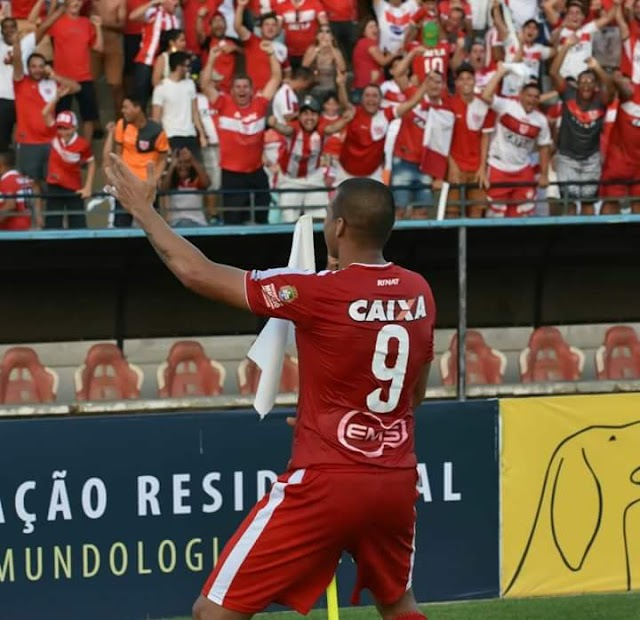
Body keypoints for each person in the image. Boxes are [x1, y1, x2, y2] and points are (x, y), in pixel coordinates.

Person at [103, 155, 435, 620]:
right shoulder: (419, 291)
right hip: (397, 480)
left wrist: (143, 211)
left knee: (213, 612)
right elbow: (412, 396)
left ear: (339, 227)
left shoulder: (317, 291)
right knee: (399, 605)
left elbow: (197, 272)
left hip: (328, 480)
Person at [200, 39, 282, 224]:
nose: (242, 90)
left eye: (246, 87)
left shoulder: (259, 104)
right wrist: (212, 58)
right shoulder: (223, 103)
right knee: (233, 219)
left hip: (256, 172)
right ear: (231, 90)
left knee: (262, 216)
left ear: (252, 90)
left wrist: (271, 54)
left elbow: (276, 78)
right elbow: (205, 85)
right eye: (238, 87)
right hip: (232, 174)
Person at [104, 95, 169, 226]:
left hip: (146, 188)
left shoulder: (156, 131)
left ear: (137, 108)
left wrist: (155, 179)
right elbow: (118, 153)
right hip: (126, 186)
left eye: (126, 107)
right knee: (121, 227)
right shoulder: (121, 125)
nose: (122, 111)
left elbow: (163, 158)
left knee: (152, 227)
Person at [0, 148, 32, 231]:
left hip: (12, 228)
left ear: (1, 165)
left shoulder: (7, 180)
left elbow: (10, 205)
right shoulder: (22, 178)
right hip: (25, 225)